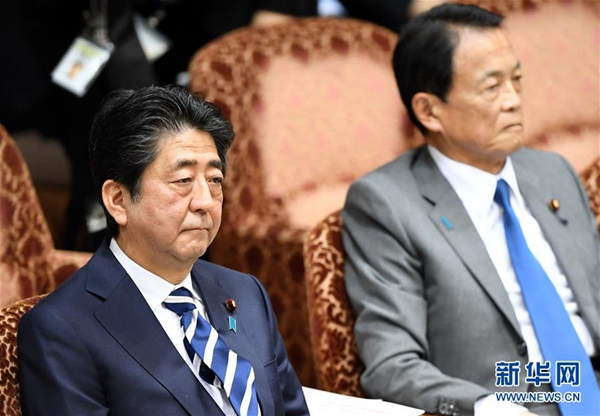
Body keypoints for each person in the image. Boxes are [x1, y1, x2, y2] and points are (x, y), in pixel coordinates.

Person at [342, 4, 600, 416]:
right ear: (429, 111)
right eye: (491, 87)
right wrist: (485, 406)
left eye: (517, 80)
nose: (514, 101)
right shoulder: (386, 205)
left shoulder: (553, 173)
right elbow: (392, 367)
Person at [17, 85, 309, 416]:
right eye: (183, 180)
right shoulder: (61, 330)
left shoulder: (245, 292)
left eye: (214, 180)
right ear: (118, 200)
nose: (205, 201)